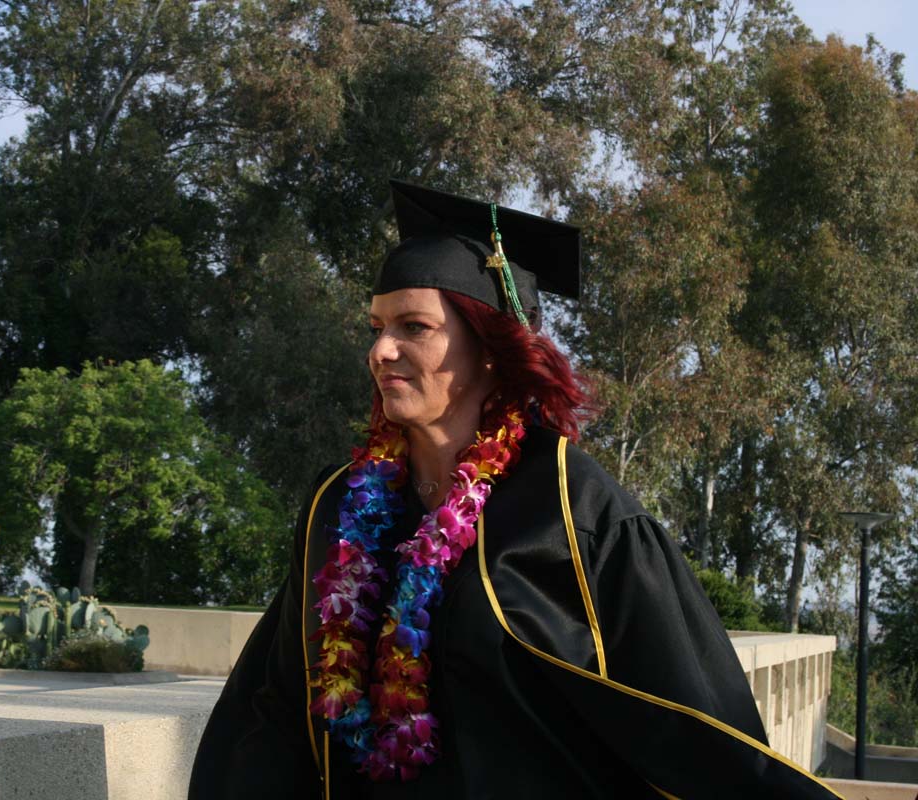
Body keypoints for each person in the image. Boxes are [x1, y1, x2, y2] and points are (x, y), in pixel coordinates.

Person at [188, 180, 840, 799]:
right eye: (375, 327)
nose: (381, 350)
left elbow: (693, 729)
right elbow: (274, 709)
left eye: (413, 327)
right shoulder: (337, 506)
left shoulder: (568, 509)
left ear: (489, 347)